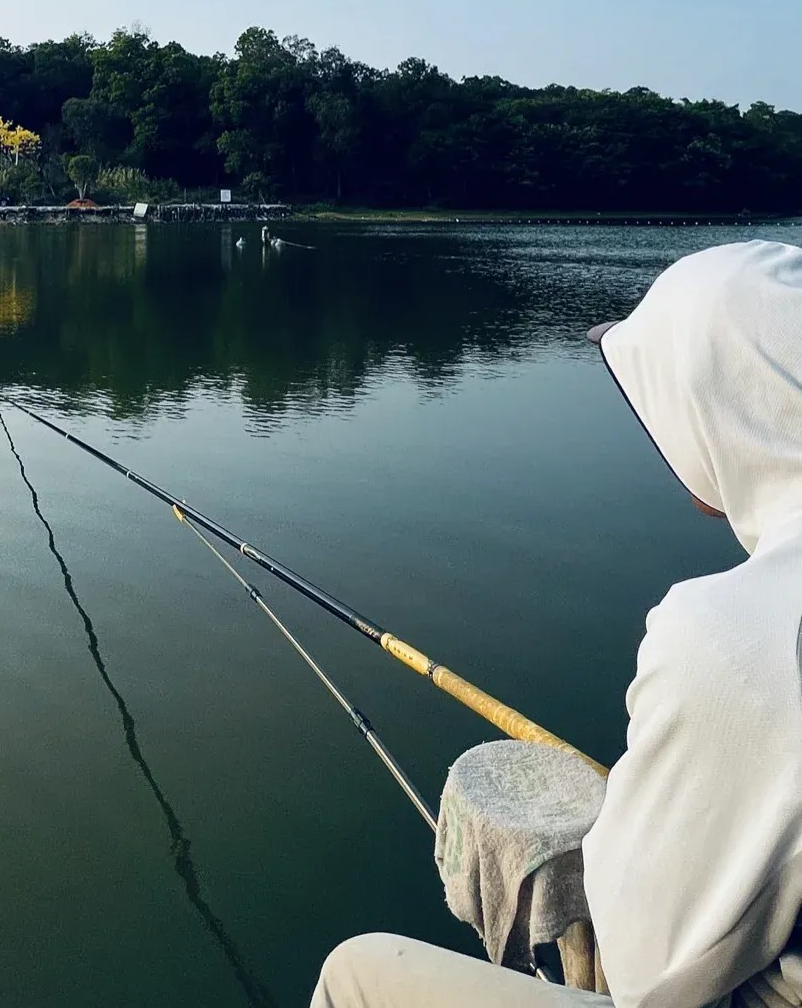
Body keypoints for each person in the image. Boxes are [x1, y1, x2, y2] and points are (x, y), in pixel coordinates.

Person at [311, 239, 802, 1008]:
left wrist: (613, 835)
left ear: (720, 409)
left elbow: (646, 965)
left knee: (356, 972)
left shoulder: (725, 632)